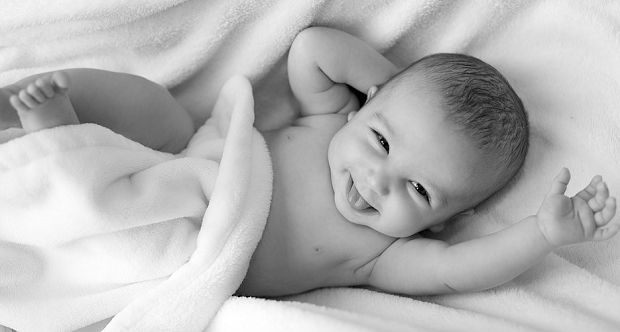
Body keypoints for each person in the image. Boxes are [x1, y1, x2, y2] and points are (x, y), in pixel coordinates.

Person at [1, 27, 617, 297]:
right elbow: (313, 49)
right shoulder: (329, 121)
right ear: (363, 108)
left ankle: (57, 152)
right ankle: (51, 123)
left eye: (420, 190)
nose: (378, 180)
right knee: (153, 108)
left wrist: (540, 233)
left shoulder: (381, 255)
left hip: (191, 252)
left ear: (445, 220)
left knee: (129, 236)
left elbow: (461, 270)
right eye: (381, 143)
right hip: (188, 168)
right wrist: (392, 91)